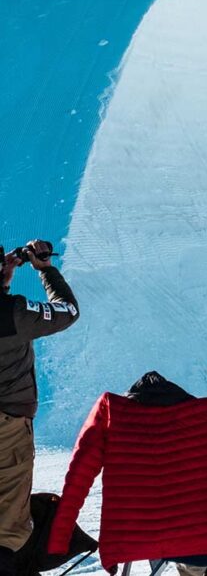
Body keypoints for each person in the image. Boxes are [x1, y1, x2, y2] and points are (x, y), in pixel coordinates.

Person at [49, 367, 207, 575]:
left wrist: (59, 541)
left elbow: (77, 478)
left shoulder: (111, 413)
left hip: (131, 542)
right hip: (205, 542)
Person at [0, 241, 76, 576]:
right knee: (8, 530)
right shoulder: (14, 313)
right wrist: (44, 269)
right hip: (7, 428)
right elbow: (67, 311)